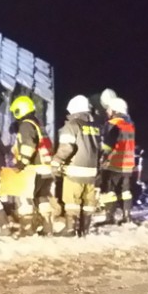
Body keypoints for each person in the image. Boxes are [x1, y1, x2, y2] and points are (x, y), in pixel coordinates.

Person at [52, 95, 101, 237]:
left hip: (75, 171)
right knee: (88, 202)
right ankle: (84, 229)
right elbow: (101, 149)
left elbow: (67, 147)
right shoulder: (96, 127)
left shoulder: (72, 125)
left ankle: (70, 229)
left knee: (72, 201)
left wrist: (56, 162)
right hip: (92, 172)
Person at [9, 95, 55, 236]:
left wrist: (21, 163)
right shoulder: (38, 124)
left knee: (24, 198)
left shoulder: (26, 125)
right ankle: (48, 228)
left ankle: (27, 229)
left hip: (33, 169)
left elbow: (29, 145)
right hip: (46, 169)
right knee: (42, 198)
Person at [99, 97, 136, 224]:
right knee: (126, 191)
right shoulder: (129, 124)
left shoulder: (112, 123)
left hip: (114, 163)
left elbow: (107, 145)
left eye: (109, 109)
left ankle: (110, 217)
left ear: (115, 110)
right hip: (128, 164)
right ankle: (127, 216)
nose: (107, 111)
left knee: (110, 190)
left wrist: (102, 158)